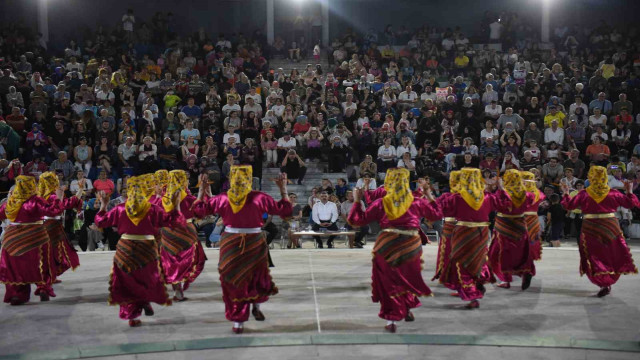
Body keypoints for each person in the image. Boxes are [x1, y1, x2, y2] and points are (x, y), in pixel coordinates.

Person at [193, 166, 291, 334]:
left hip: (241, 241)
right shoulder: (258, 197)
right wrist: (283, 191)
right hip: (243, 241)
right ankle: (241, 317)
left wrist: (201, 192)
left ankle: (249, 311)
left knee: (247, 277)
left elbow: (199, 211)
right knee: (243, 277)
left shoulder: (226, 198)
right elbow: (286, 211)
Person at [348, 168, 441, 333]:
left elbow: (357, 221)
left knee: (390, 280)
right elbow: (436, 214)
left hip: (387, 244)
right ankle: (407, 308)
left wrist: (357, 201)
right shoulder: (416, 201)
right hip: (411, 244)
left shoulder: (381, 203)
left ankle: (392, 319)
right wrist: (428, 195)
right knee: (406, 277)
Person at [94, 175, 185, 327]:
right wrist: (176, 205)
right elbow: (174, 221)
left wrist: (103, 205)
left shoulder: (120, 209)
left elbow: (100, 222)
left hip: (125, 247)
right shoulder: (153, 209)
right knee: (146, 279)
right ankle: (143, 301)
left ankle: (132, 316)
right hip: (147, 248)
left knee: (127, 280)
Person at [561, 166, 639, 297]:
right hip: (610, 227)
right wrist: (629, 191)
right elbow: (631, 204)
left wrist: (566, 193)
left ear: (590, 177)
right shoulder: (613, 193)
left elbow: (569, 206)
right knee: (612, 253)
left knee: (593, 254)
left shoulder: (584, 193)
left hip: (590, 227)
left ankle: (603, 282)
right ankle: (609, 279)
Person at [439, 168, 511, 309]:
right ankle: (479, 280)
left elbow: (441, 210)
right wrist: (501, 188)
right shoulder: (488, 197)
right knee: (478, 259)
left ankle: (472, 295)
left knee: (462, 262)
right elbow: (505, 205)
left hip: (463, 233)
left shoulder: (457, 197)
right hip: (482, 232)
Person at [0, 176, 64, 305]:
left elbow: (1, 214)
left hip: (12, 239)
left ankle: (16, 295)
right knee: (41, 264)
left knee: (15, 268)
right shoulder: (35, 200)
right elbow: (54, 212)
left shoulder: (11, 201)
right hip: (35, 237)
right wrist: (58, 198)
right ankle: (43, 288)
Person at [154, 170, 207, 301]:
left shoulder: (163, 200)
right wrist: (201, 194)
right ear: (183, 181)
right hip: (186, 231)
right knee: (189, 259)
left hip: (168, 232)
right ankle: (181, 283)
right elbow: (201, 213)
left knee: (170, 260)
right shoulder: (189, 199)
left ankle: (176, 286)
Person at [488, 169, 537, 290]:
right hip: (519, 226)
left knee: (499, 253)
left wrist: (496, 189)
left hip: (503, 226)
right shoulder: (527, 194)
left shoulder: (502, 193)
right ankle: (525, 272)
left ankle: (506, 279)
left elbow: (494, 204)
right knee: (520, 253)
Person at [37, 171, 83, 281]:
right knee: (53, 252)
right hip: (51, 225)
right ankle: (48, 277)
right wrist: (60, 197)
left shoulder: (41, 196)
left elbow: (69, 203)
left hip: (47, 225)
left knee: (50, 252)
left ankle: (49, 275)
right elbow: (60, 208)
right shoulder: (52, 196)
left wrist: (80, 190)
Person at [432, 171, 461, 290]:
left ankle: (449, 276)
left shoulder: (447, 196)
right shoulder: (469, 197)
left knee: (449, 250)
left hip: (451, 226)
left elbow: (435, 208)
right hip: (463, 228)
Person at [521, 171, 546, 261]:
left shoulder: (521, 193)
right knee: (532, 236)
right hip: (534, 218)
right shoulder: (539, 193)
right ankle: (531, 255)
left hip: (522, 218)